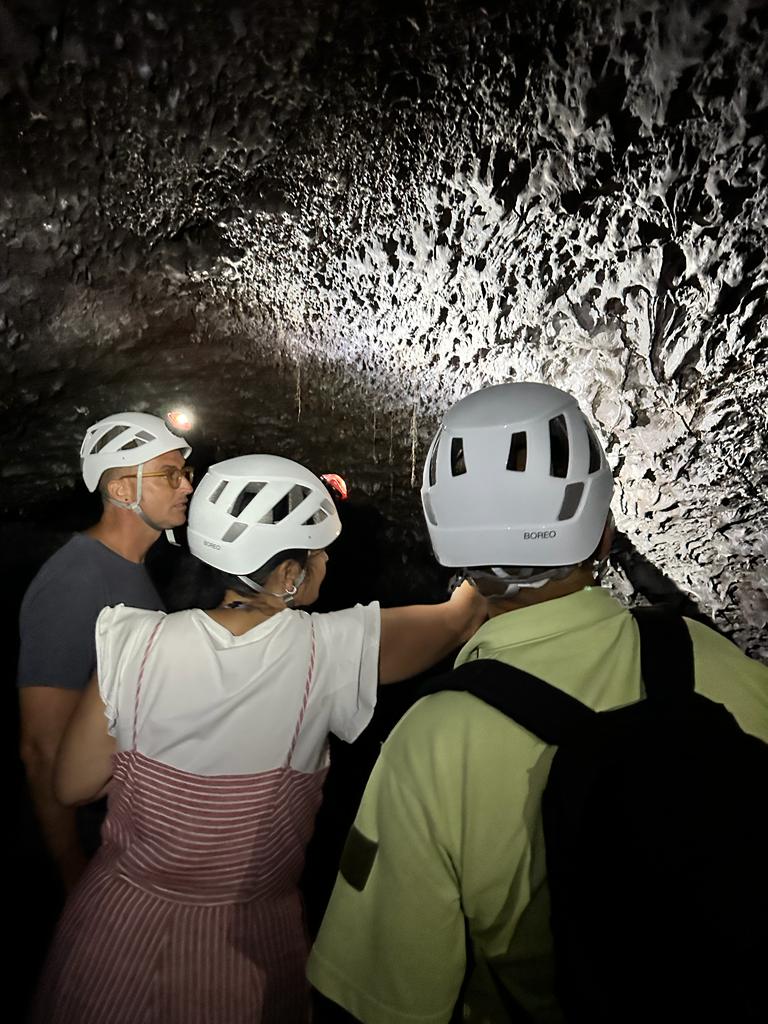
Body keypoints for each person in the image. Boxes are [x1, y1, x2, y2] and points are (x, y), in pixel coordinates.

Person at [307, 381, 768, 1023]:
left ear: (449, 547)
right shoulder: (711, 658)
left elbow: (378, 1001)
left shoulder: (437, 738)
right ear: (603, 534)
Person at [31, 453, 486, 1024]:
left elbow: (72, 786)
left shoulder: (132, 640)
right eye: (318, 554)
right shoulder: (328, 651)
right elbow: (457, 620)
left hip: (111, 926)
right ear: (288, 575)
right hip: (237, 948)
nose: (327, 562)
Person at [17, 411, 194, 892]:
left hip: (124, 831)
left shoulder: (127, 567)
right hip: (92, 840)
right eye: (169, 475)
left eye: (185, 473)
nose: (186, 486)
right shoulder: (77, 579)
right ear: (120, 489)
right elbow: (41, 747)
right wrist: (70, 865)